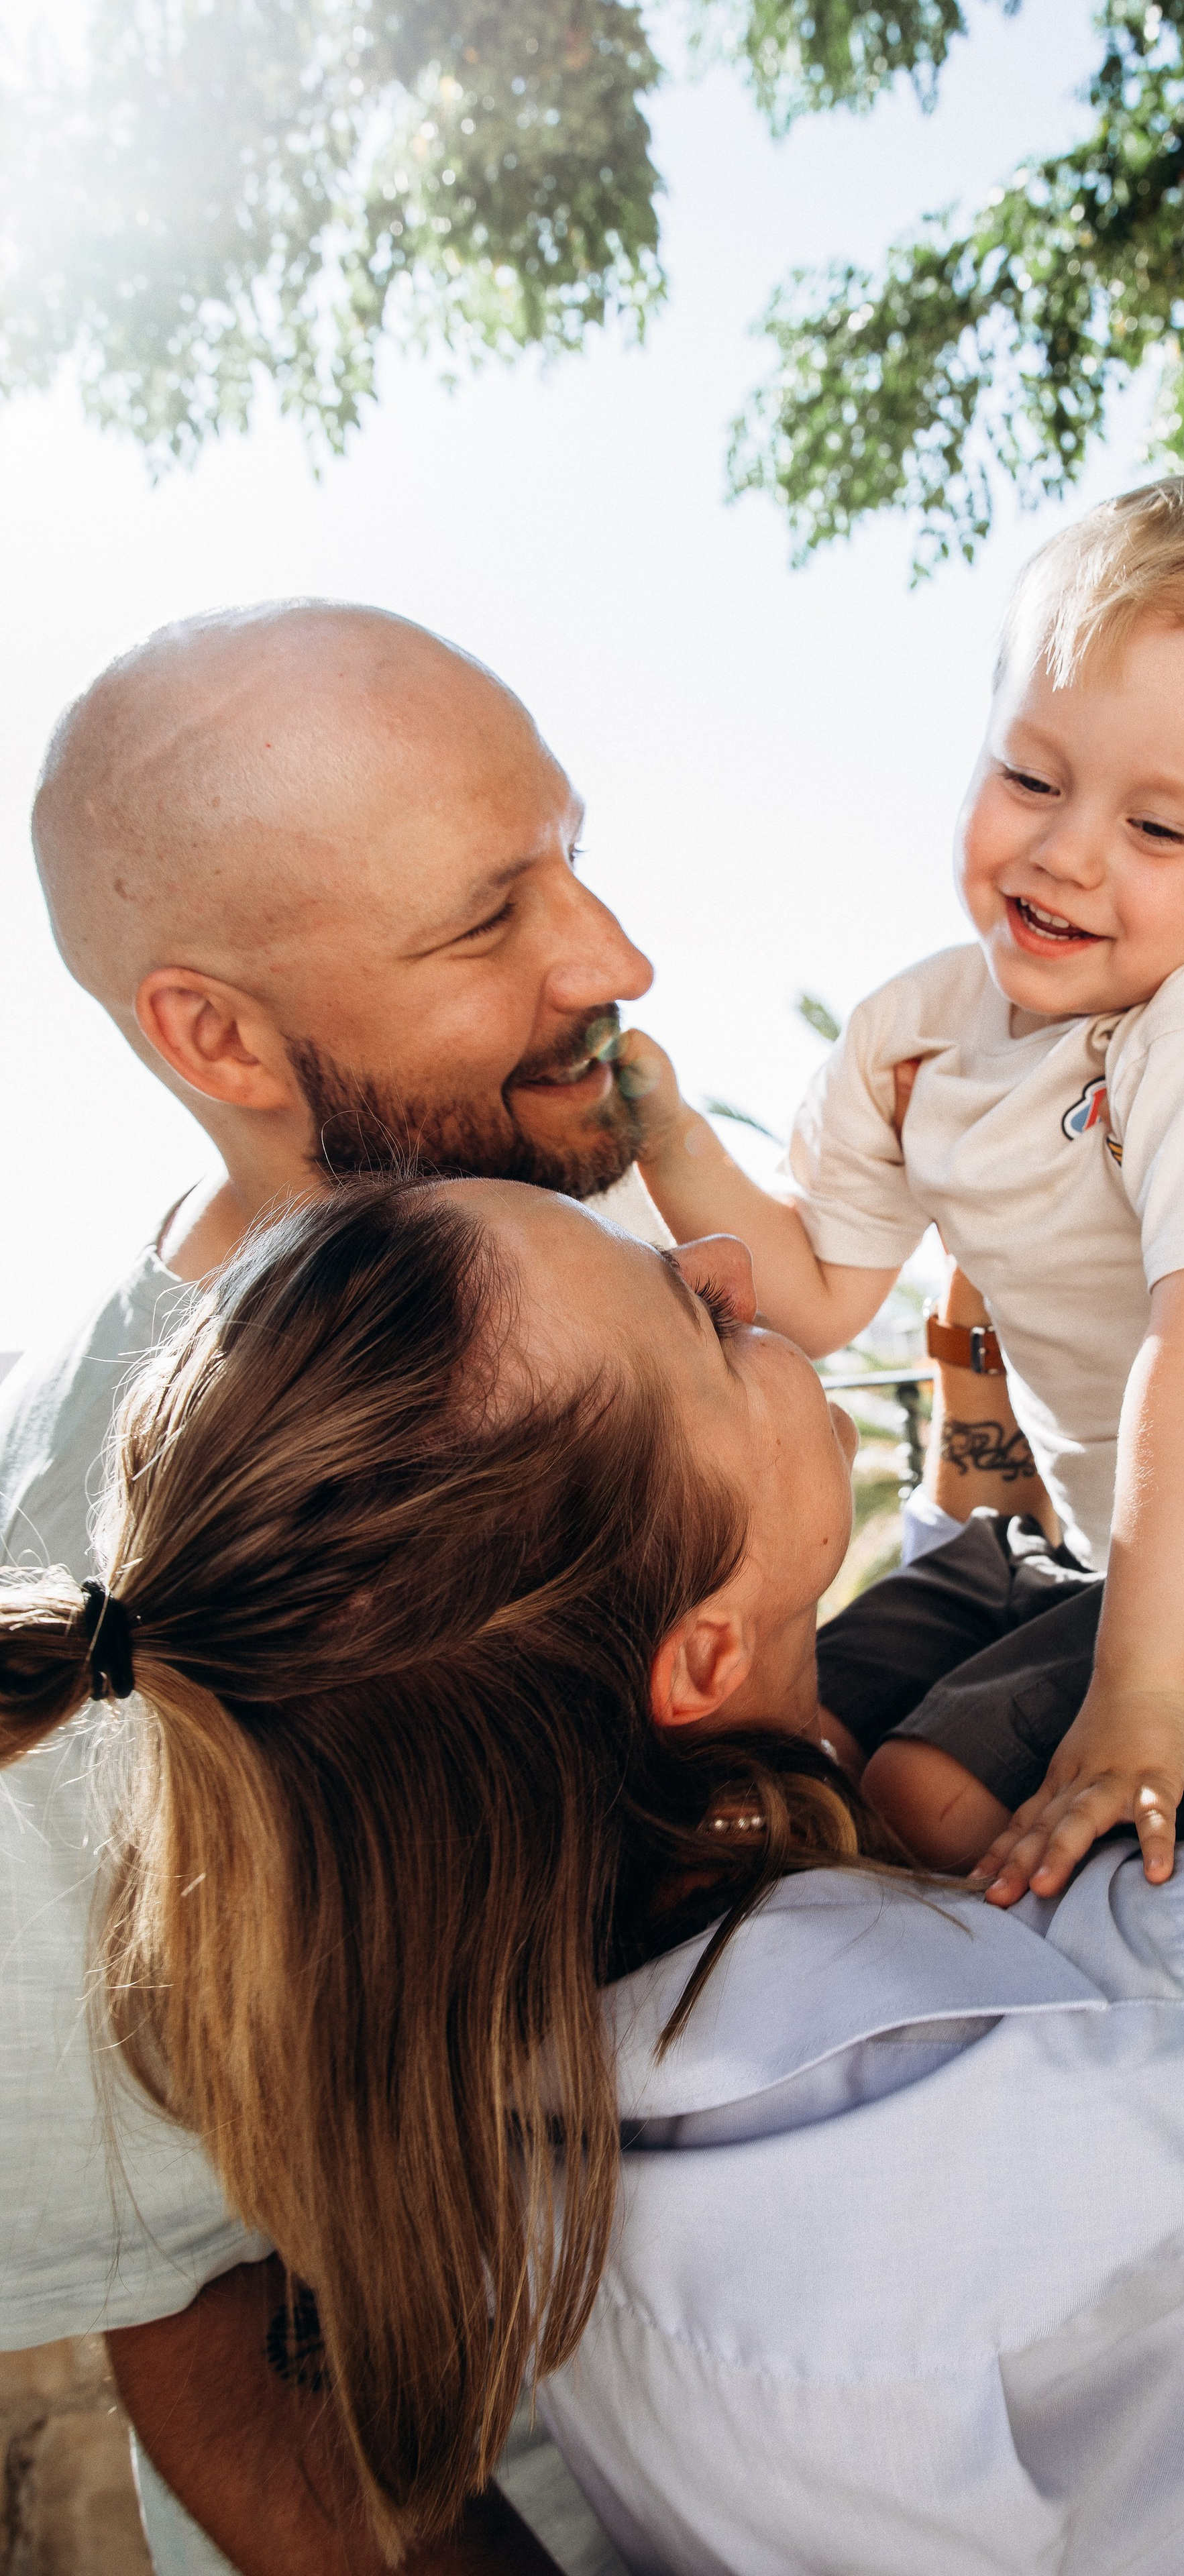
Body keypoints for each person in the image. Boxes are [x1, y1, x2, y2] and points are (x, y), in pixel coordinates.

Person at [0, 1176, 1184, 2572]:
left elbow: (870, 1684)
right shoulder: (1061, 2047)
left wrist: (976, 1432)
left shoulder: (471, 2082)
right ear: (699, 1653)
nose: (727, 1266)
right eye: (700, 1327)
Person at [1, 600, 660, 2573]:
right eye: (486, 924)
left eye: (573, 853)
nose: (613, 960)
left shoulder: (581, 1290)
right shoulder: (96, 1556)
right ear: (213, 1034)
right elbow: (210, 2347)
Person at [615, 475, 1184, 1907]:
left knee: (927, 1792)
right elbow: (812, 1293)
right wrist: (664, 1132)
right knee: (768, 1742)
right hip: (1074, 1558)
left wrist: (1142, 1692)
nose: (1064, 852)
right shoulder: (916, 1031)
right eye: (1030, 778)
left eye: (1158, 831)